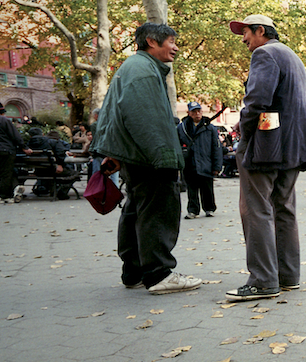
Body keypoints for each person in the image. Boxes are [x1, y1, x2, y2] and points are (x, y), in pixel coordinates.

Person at [92, 22, 202, 295]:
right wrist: (164, 158)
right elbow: (145, 120)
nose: (175, 47)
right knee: (157, 212)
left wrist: (113, 153)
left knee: (135, 211)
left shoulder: (132, 68)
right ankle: (159, 274)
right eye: (171, 42)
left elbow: (111, 115)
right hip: (150, 157)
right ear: (152, 42)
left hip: (135, 156)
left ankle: (134, 272)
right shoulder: (143, 71)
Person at [226, 14, 306, 301]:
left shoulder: (264, 54)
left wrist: (245, 132)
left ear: (261, 31)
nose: (244, 39)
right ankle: (287, 275)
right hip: (294, 147)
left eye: (246, 33)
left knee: (257, 210)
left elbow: (257, 101)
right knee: (284, 209)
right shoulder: (293, 56)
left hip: (266, 148)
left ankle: (263, 281)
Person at [0, 101, 33, 204]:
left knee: (6, 171)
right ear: (2, 112)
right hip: (6, 149)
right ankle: (2, 195)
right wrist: (24, 147)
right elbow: (15, 135)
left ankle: (15, 188)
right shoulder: (4, 120)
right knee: (6, 173)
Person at [178, 101, 223, 219]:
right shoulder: (182, 128)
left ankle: (209, 208)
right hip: (190, 163)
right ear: (189, 113)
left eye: (199, 111)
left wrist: (217, 166)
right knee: (191, 189)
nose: (197, 114)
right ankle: (193, 210)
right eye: (194, 111)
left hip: (206, 163)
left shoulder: (209, 127)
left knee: (207, 188)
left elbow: (216, 147)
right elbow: (177, 146)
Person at [25, 127, 75, 200]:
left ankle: (49, 189)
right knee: (74, 173)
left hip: (38, 171)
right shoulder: (52, 142)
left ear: (30, 136)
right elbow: (61, 153)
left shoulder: (26, 145)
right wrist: (60, 164)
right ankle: (61, 192)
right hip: (52, 169)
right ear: (42, 134)